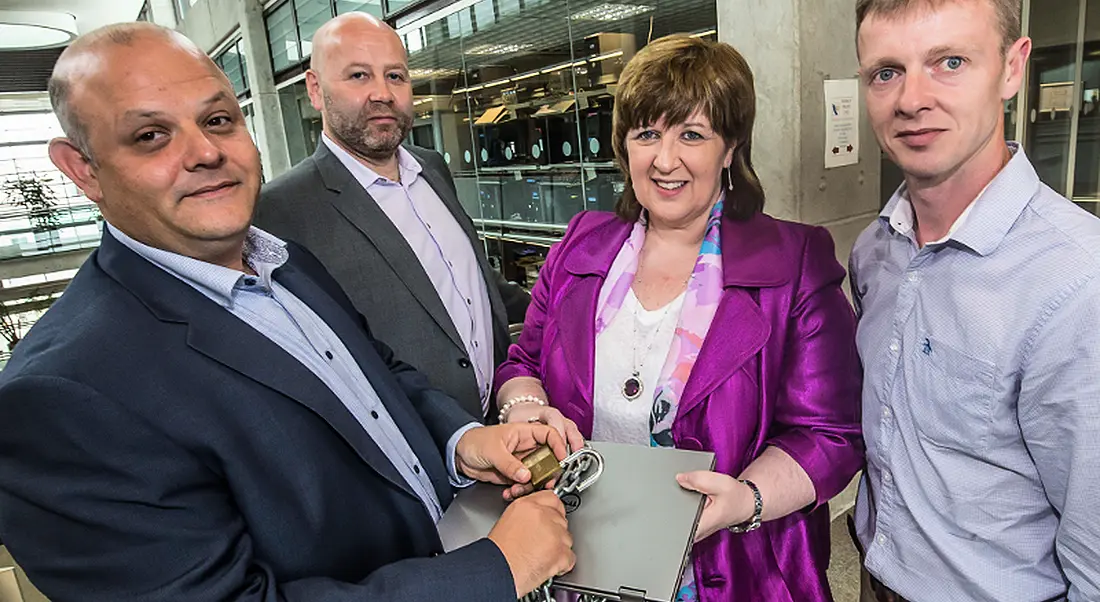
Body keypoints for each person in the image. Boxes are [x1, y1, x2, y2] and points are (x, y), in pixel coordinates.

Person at [0, 23, 575, 602]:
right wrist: (497, 570)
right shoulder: (59, 397)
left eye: (218, 120)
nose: (205, 152)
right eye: (151, 135)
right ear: (82, 168)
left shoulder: (282, 259)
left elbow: (377, 373)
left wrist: (461, 442)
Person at [493, 35, 864, 602]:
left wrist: (747, 499)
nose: (665, 160)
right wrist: (525, 406)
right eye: (647, 134)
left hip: (728, 570)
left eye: (691, 134)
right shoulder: (581, 245)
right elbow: (524, 360)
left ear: (731, 145)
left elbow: (831, 433)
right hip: (579, 558)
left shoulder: (793, 263)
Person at [850, 0, 1100, 600]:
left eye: (950, 62)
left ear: (1012, 70)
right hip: (872, 575)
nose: (910, 99)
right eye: (886, 72)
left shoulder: (1076, 281)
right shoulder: (875, 249)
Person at [255, 13, 529, 421]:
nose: (382, 93)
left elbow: (474, 283)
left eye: (395, 76)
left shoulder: (432, 168)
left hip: (503, 425)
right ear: (315, 89)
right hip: (414, 457)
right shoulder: (278, 210)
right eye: (359, 76)